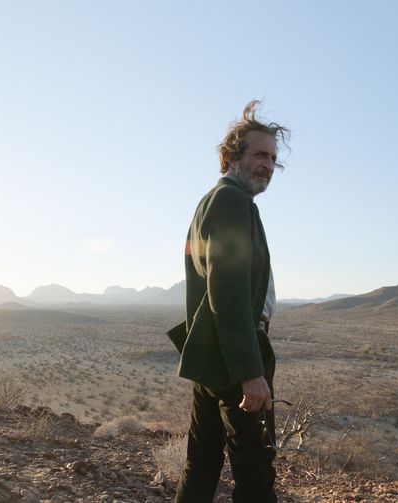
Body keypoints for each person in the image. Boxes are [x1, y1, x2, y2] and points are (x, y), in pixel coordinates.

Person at [165, 100, 289, 502]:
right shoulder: (231, 201)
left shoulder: (220, 202)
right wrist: (249, 371)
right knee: (254, 470)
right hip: (234, 359)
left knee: (201, 464)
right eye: (258, 154)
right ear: (232, 156)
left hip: (211, 357)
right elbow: (228, 292)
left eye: (272, 158)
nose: (267, 165)